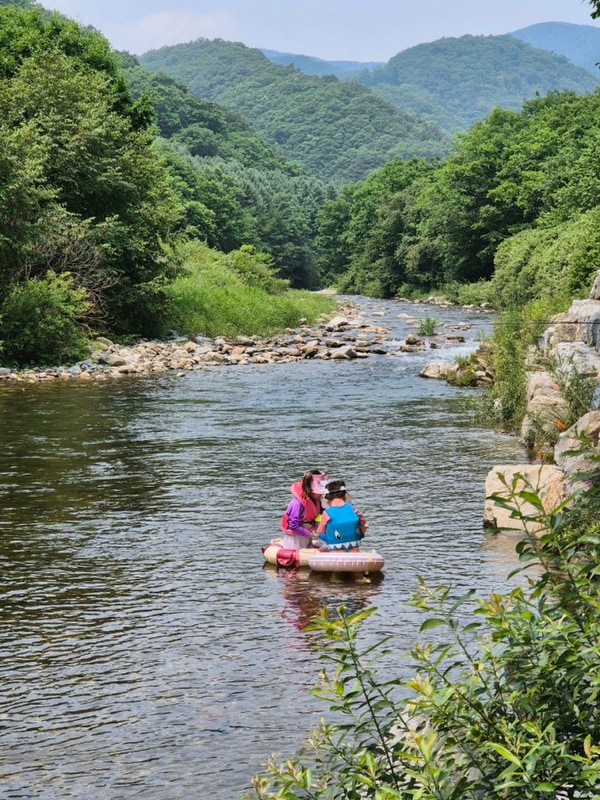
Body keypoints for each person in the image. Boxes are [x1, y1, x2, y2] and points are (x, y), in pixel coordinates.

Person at [281, 469, 328, 550]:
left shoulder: (316, 501)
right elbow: (293, 525)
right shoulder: (297, 504)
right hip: (296, 539)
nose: (321, 495)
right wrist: (310, 534)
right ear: (310, 490)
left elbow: (324, 513)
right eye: (319, 493)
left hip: (308, 535)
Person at [316, 479, 368, 552]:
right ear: (345, 496)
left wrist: (315, 534)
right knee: (354, 548)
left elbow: (320, 531)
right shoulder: (352, 509)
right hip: (354, 543)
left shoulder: (327, 512)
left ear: (326, 499)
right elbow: (363, 522)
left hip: (335, 545)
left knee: (319, 536)